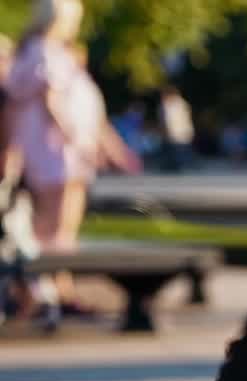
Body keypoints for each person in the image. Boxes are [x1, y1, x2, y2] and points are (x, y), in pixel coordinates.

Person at [7, 0, 141, 320]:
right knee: (56, 226)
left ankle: (55, 287)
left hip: (60, 153)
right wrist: (76, 140)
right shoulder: (43, 51)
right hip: (57, 153)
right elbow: (50, 100)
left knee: (61, 225)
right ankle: (53, 290)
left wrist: (104, 143)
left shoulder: (48, 51)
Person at [159, 85, 194, 171]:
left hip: (176, 132)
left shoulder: (170, 105)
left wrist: (166, 131)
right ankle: (177, 166)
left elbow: (169, 121)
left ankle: (176, 166)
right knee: (179, 151)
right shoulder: (182, 103)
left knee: (176, 152)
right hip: (182, 132)